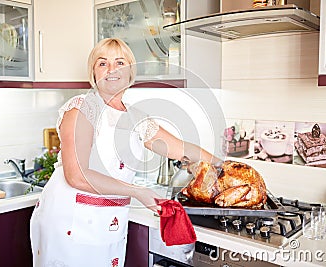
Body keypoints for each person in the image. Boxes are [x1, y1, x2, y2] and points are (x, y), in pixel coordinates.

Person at [30, 38, 222, 267]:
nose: (111, 70)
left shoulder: (135, 117)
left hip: (108, 222)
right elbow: (77, 175)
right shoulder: (81, 108)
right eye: (102, 63)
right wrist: (139, 192)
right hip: (69, 220)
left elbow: (181, 149)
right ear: (93, 71)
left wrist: (225, 166)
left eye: (120, 62)